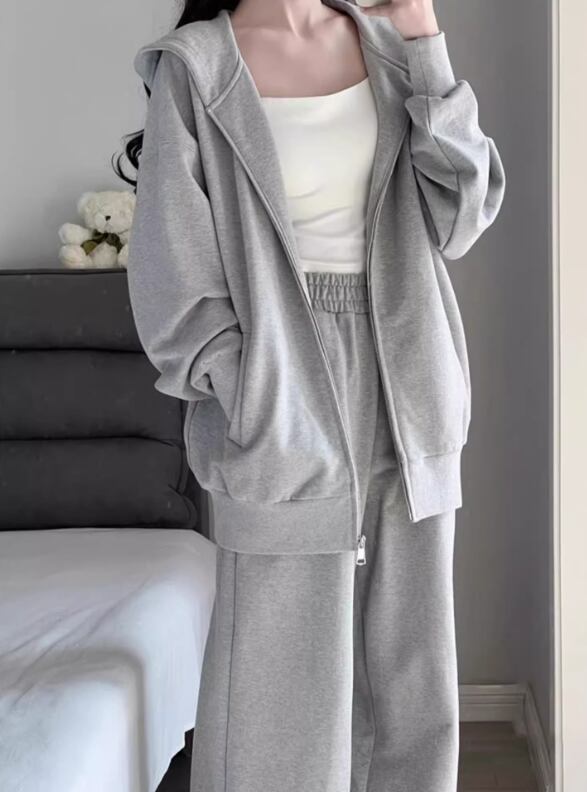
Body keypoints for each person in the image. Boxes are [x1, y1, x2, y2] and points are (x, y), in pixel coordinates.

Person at [120, 0, 506, 789]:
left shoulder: (389, 49)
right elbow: (171, 269)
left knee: (411, 677)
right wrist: (248, 387)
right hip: (276, 376)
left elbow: (461, 217)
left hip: (409, 376)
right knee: (275, 678)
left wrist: (424, 41)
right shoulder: (196, 67)